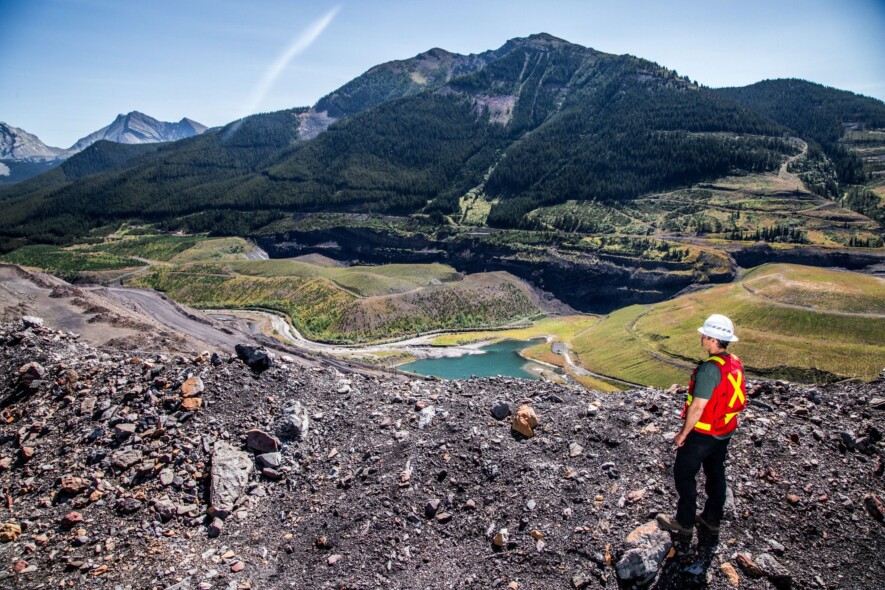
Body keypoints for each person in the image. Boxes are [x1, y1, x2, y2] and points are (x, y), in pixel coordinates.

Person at [657, 314, 747, 538]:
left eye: (705, 336)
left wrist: (682, 434)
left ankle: (684, 522)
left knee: (684, 473)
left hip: (704, 433)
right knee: (715, 472)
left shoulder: (709, 369)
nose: (701, 338)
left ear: (714, 340)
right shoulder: (733, 361)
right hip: (724, 431)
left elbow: (697, 407)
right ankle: (711, 519)